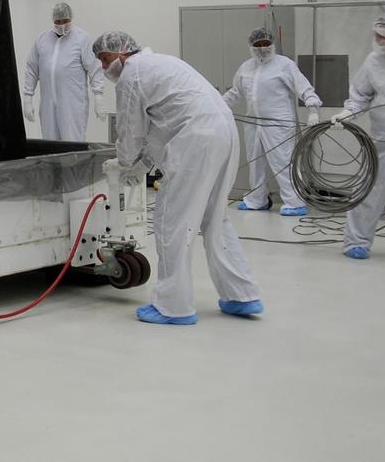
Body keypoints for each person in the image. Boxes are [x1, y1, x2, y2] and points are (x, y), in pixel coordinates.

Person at [94, 31, 262, 324]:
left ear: (121, 52)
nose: (104, 67)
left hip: (197, 139)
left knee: (172, 219)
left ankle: (173, 306)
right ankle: (241, 294)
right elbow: (161, 127)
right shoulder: (160, 64)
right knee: (216, 217)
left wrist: (123, 163)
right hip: (223, 132)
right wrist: (141, 163)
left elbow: (130, 130)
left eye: (105, 59)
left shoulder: (131, 76)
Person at [331, 13, 385, 260]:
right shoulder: (374, 61)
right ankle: (356, 242)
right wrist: (346, 114)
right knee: (370, 189)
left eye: (382, 36)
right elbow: (361, 96)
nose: (377, 40)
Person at [223, 28, 321, 215]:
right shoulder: (246, 67)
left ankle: (295, 202)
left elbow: (303, 87)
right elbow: (235, 92)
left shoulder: (284, 65)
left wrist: (313, 108)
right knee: (255, 163)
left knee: (282, 162)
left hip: (278, 123)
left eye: (266, 44)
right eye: (257, 45)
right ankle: (256, 199)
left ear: (272, 44)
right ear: (251, 46)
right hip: (253, 124)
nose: (262, 48)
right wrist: (217, 105)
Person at [23, 3, 105, 141]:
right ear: (53, 20)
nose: (62, 25)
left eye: (65, 21)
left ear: (71, 18)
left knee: (72, 143)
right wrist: (28, 97)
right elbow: (32, 69)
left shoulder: (82, 38)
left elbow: (94, 68)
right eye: (58, 22)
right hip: (48, 104)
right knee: (50, 144)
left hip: (72, 103)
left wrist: (98, 96)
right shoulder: (42, 39)